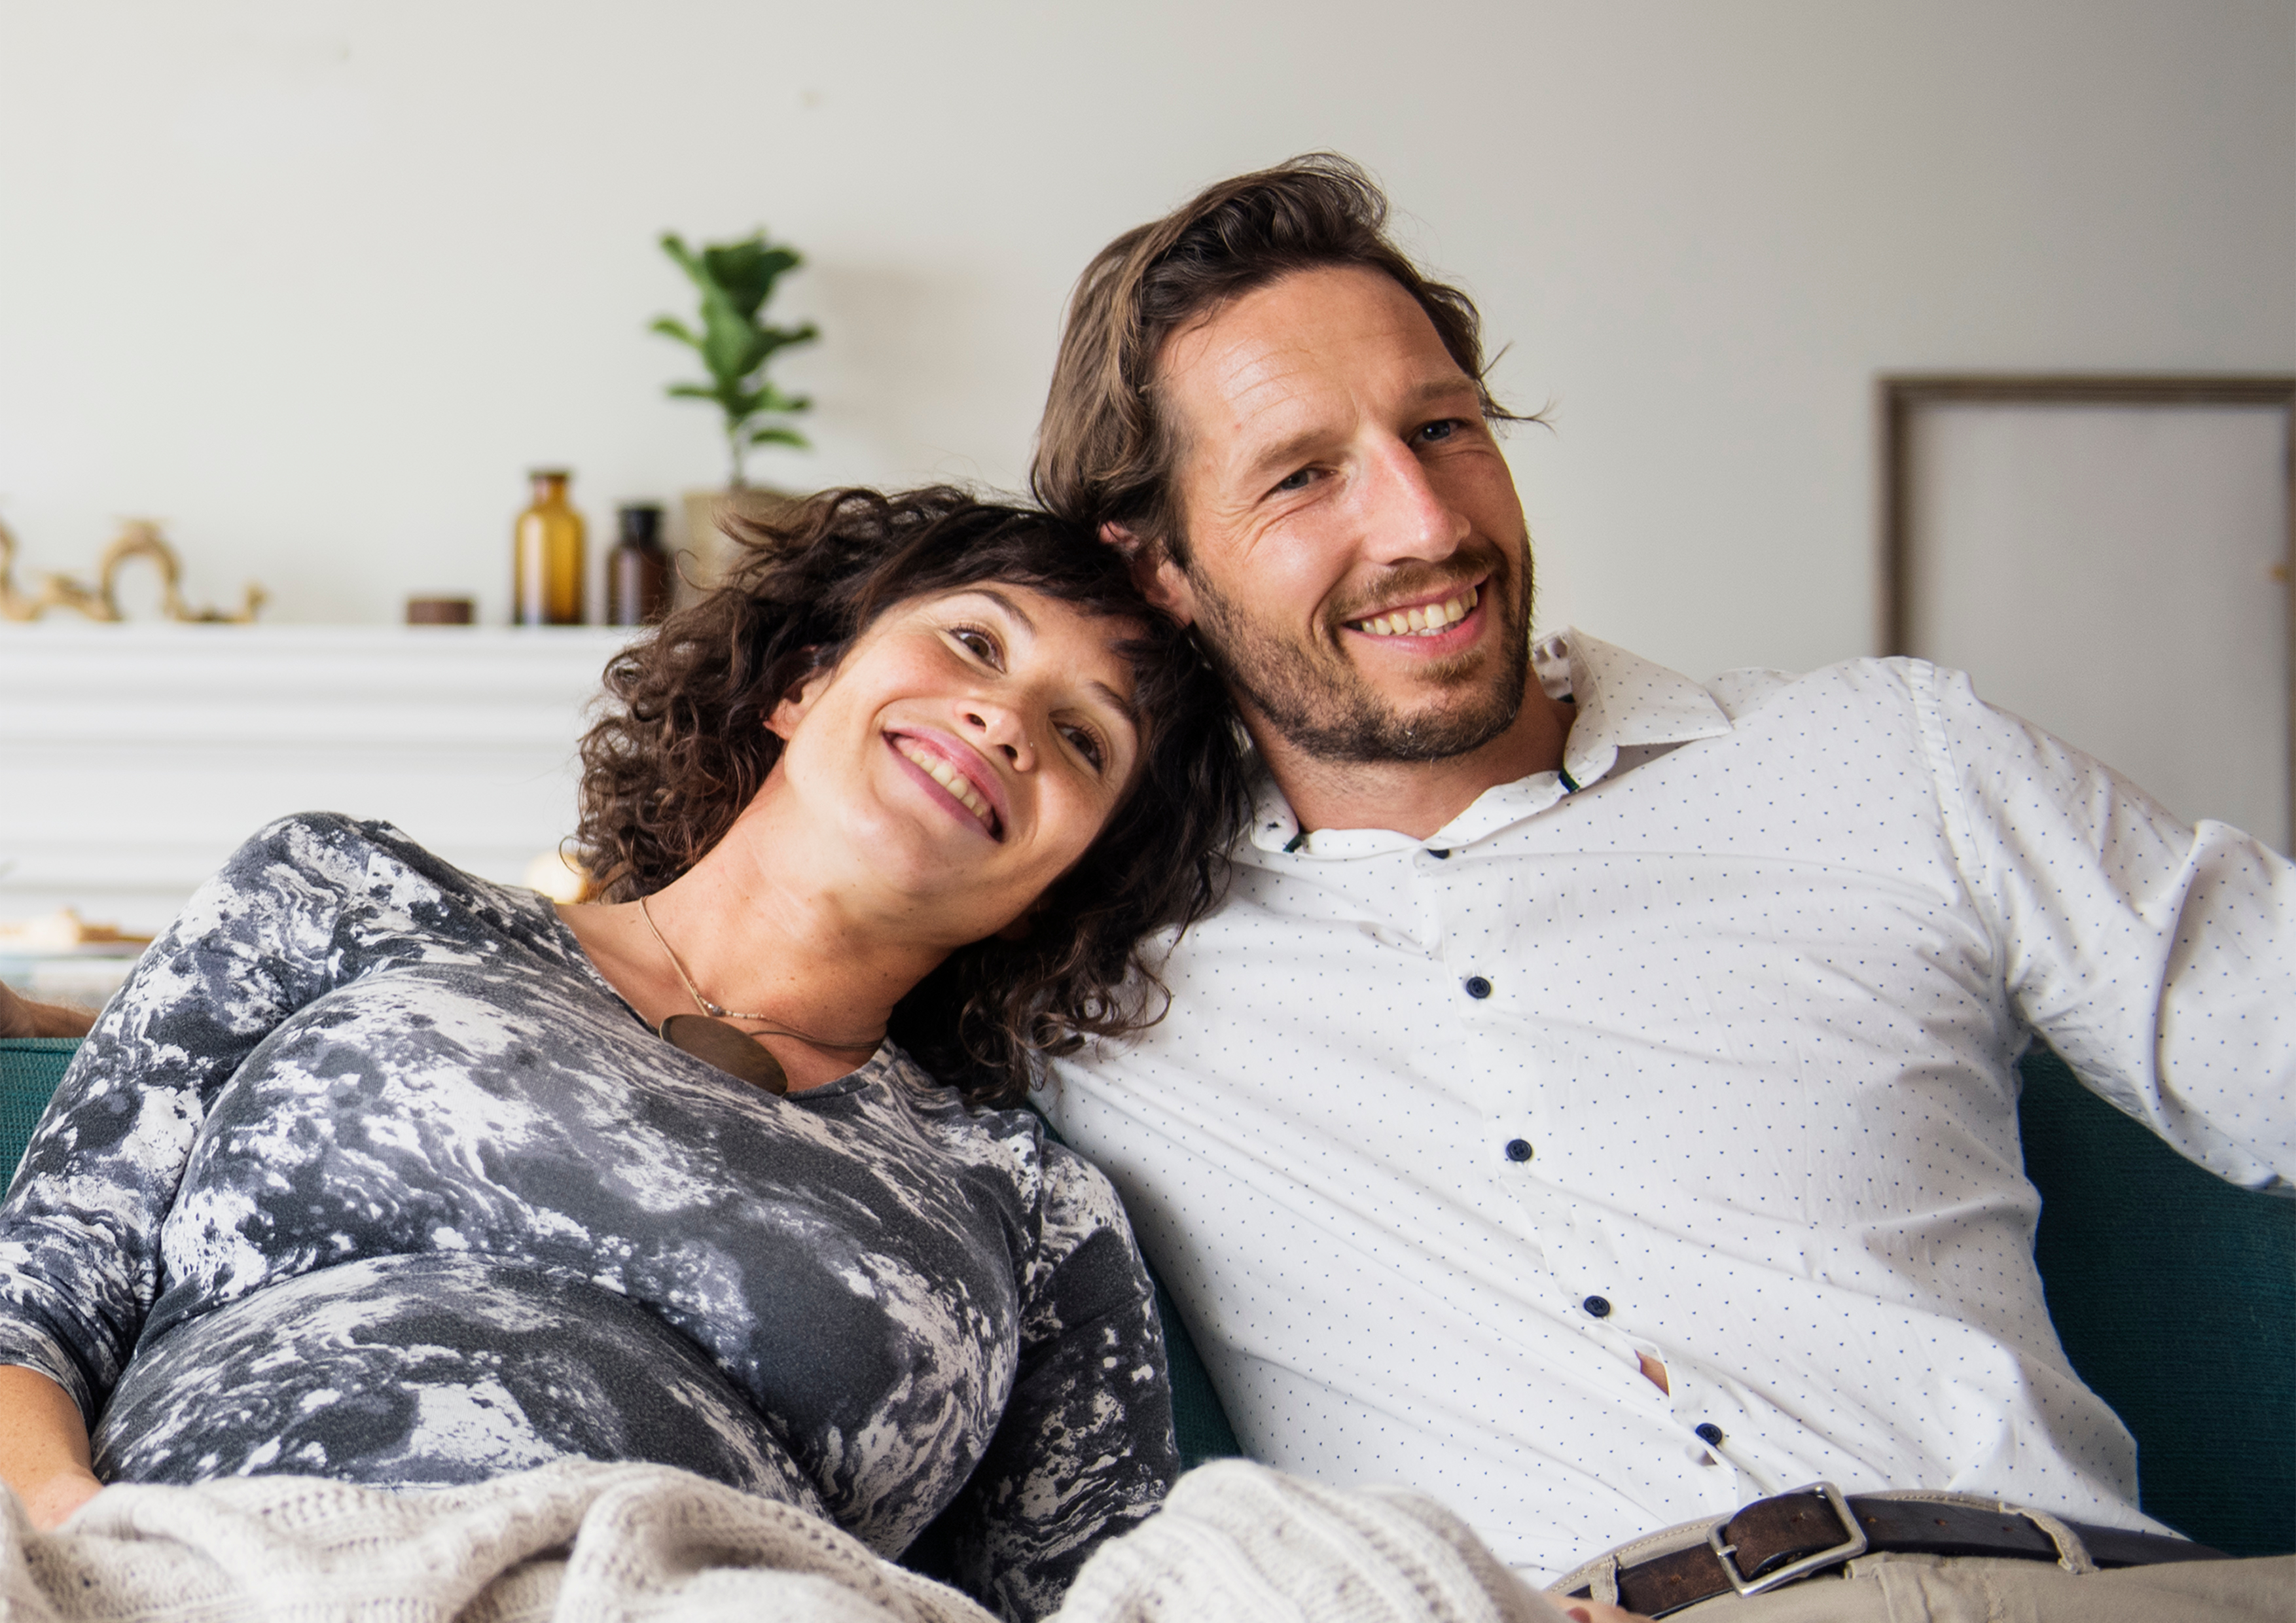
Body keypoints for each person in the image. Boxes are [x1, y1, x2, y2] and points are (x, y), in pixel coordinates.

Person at [1029, 155, 2295, 1618]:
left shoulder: (1884, 756)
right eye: (1303, 475)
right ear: (1159, 572)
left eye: (1442, 429)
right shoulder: (1089, 954)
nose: (1424, 523)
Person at [0, 488, 1258, 1623]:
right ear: (804, 685)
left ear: (1057, 889)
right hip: (190, 1573)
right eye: (976, 641)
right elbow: (29, 1312)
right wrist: (75, 1547)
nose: (1005, 718)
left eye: (1085, 738)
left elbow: (1100, 1602)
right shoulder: (340, 894)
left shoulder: (1032, 1211)